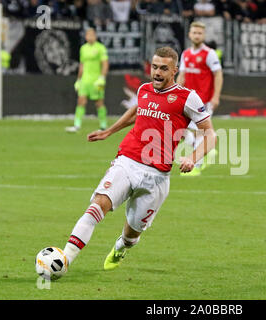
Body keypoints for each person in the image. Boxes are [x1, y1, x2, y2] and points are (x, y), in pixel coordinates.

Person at [62, 46, 217, 273]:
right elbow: (136, 112)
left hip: (157, 177)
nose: (157, 72)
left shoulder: (187, 98)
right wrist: (109, 131)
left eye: (164, 68)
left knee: (132, 233)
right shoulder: (144, 90)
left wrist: (193, 158)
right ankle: (64, 259)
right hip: (128, 160)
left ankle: (121, 247)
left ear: (174, 70)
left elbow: (210, 134)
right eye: (154, 67)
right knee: (97, 206)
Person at [176, 21, 223, 176]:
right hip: (186, 100)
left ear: (204, 35)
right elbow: (181, 76)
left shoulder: (209, 54)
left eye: (199, 33)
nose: (196, 35)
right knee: (181, 130)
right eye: (194, 32)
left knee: (200, 133)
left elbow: (218, 75)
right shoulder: (186, 54)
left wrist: (215, 96)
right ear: (190, 34)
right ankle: (208, 152)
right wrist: (175, 94)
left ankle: (196, 166)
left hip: (203, 101)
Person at [66, 28, 109, 133]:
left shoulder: (100, 48)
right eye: (88, 35)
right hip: (85, 80)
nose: (90, 37)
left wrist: (102, 78)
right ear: (85, 37)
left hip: (97, 81)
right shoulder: (83, 48)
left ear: (95, 36)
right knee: (81, 101)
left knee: (99, 103)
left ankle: (103, 126)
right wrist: (78, 80)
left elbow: (105, 64)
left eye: (92, 35)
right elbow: (82, 65)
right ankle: (76, 125)